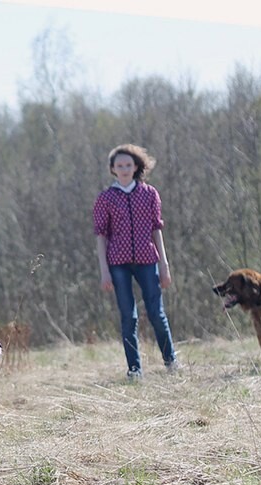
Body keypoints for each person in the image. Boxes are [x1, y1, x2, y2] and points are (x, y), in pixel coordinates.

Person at [93, 143, 177, 380]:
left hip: (147, 260)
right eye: (119, 165)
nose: (124, 169)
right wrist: (104, 271)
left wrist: (164, 265)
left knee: (156, 313)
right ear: (112, 169)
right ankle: (134, 370)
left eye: (128, 164)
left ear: (136, 166)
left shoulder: (149, 194)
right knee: (128, 317)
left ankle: (171, 361)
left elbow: (156, 229)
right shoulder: (105, 198)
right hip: (117, 263)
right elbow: (101, 236)